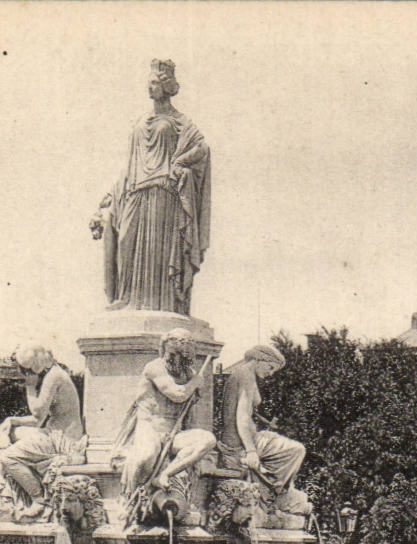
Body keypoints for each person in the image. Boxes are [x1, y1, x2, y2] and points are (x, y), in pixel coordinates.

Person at [89, 59, 210, 315]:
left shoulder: (180, 122)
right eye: (149, 83)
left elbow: (202, 149)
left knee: (157, 254)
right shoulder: (140, 120)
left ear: (167, 87)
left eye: (155, 83)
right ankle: (126, 298)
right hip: (134, 191)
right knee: (125, 243)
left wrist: (180, 162)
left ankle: (161, 305)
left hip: (162, 193)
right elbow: (131, 163)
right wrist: (110, 195)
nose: (150, 88)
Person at [112, 329, 216, 510]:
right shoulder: (154, 368)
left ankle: (165, 475)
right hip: (150, 426)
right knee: (146, 456)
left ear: (188, 356)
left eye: (180, 355)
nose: (174, 359)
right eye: (171, 353)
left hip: (173, 432)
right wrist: (196, 383)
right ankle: (128, 496)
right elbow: (177, 394)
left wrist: (194, 383)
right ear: (163, 350)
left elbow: (189, 408)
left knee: (208, 440)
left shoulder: (188, 373)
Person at [0, 346, 86, 521]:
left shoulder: (53, 377)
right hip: (56, 432)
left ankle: (38, 499)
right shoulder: (56, 373)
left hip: (61, 439)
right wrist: (12, 420)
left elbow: (37, 414)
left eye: (24, 370)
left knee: (8, 457)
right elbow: (39, 420)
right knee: (11, 432)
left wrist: (30, 388)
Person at [218, 343, 305, 495]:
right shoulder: (246, 375)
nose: (271, 373)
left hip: (246, 437)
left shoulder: (242, 373)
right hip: (240, 443)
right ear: (259, 359)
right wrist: (251, 451)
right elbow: (242, 417)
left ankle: (273, 487)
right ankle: (276, 492)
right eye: (270, 367)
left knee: (277, 440)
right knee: (297, 450)